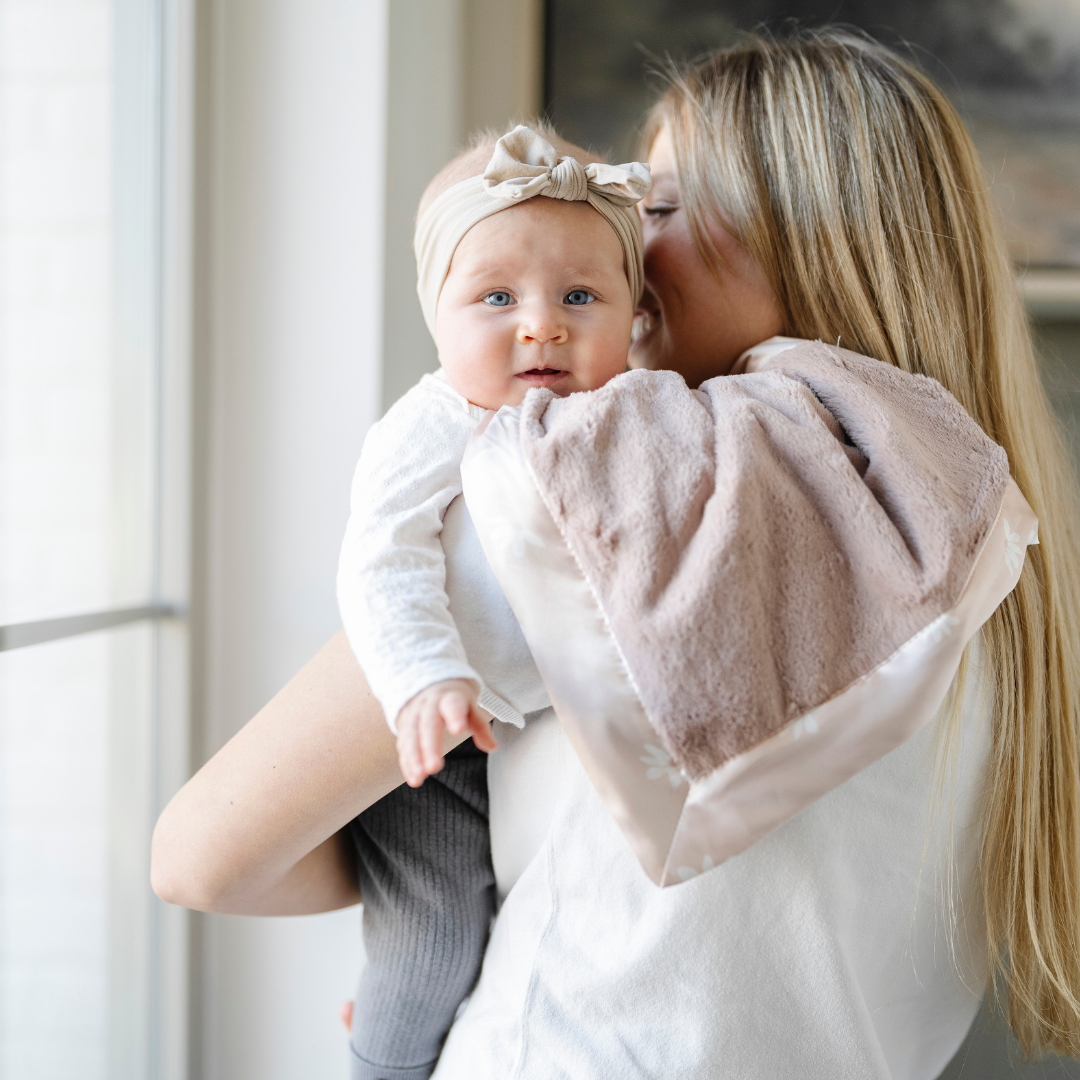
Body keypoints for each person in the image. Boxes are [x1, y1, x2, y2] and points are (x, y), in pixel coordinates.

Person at [151, 29, 1080, 1078]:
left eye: (665, 208)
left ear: (801, 236)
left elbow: (201, 854)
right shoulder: (990, 547)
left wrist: (429, 934)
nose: (629, 240)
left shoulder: (626, 505)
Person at [336, 123, 649, 1079]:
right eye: (498, 298)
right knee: (434, 936)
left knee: (520, 923)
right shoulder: (437, 421)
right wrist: (425, 680)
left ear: (635, 311)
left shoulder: (625, 409)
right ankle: (380, 1064)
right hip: (430, 742)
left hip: (528, 734)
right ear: (437, 312)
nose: (542, 324)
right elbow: (378, 558)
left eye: (581, 296)